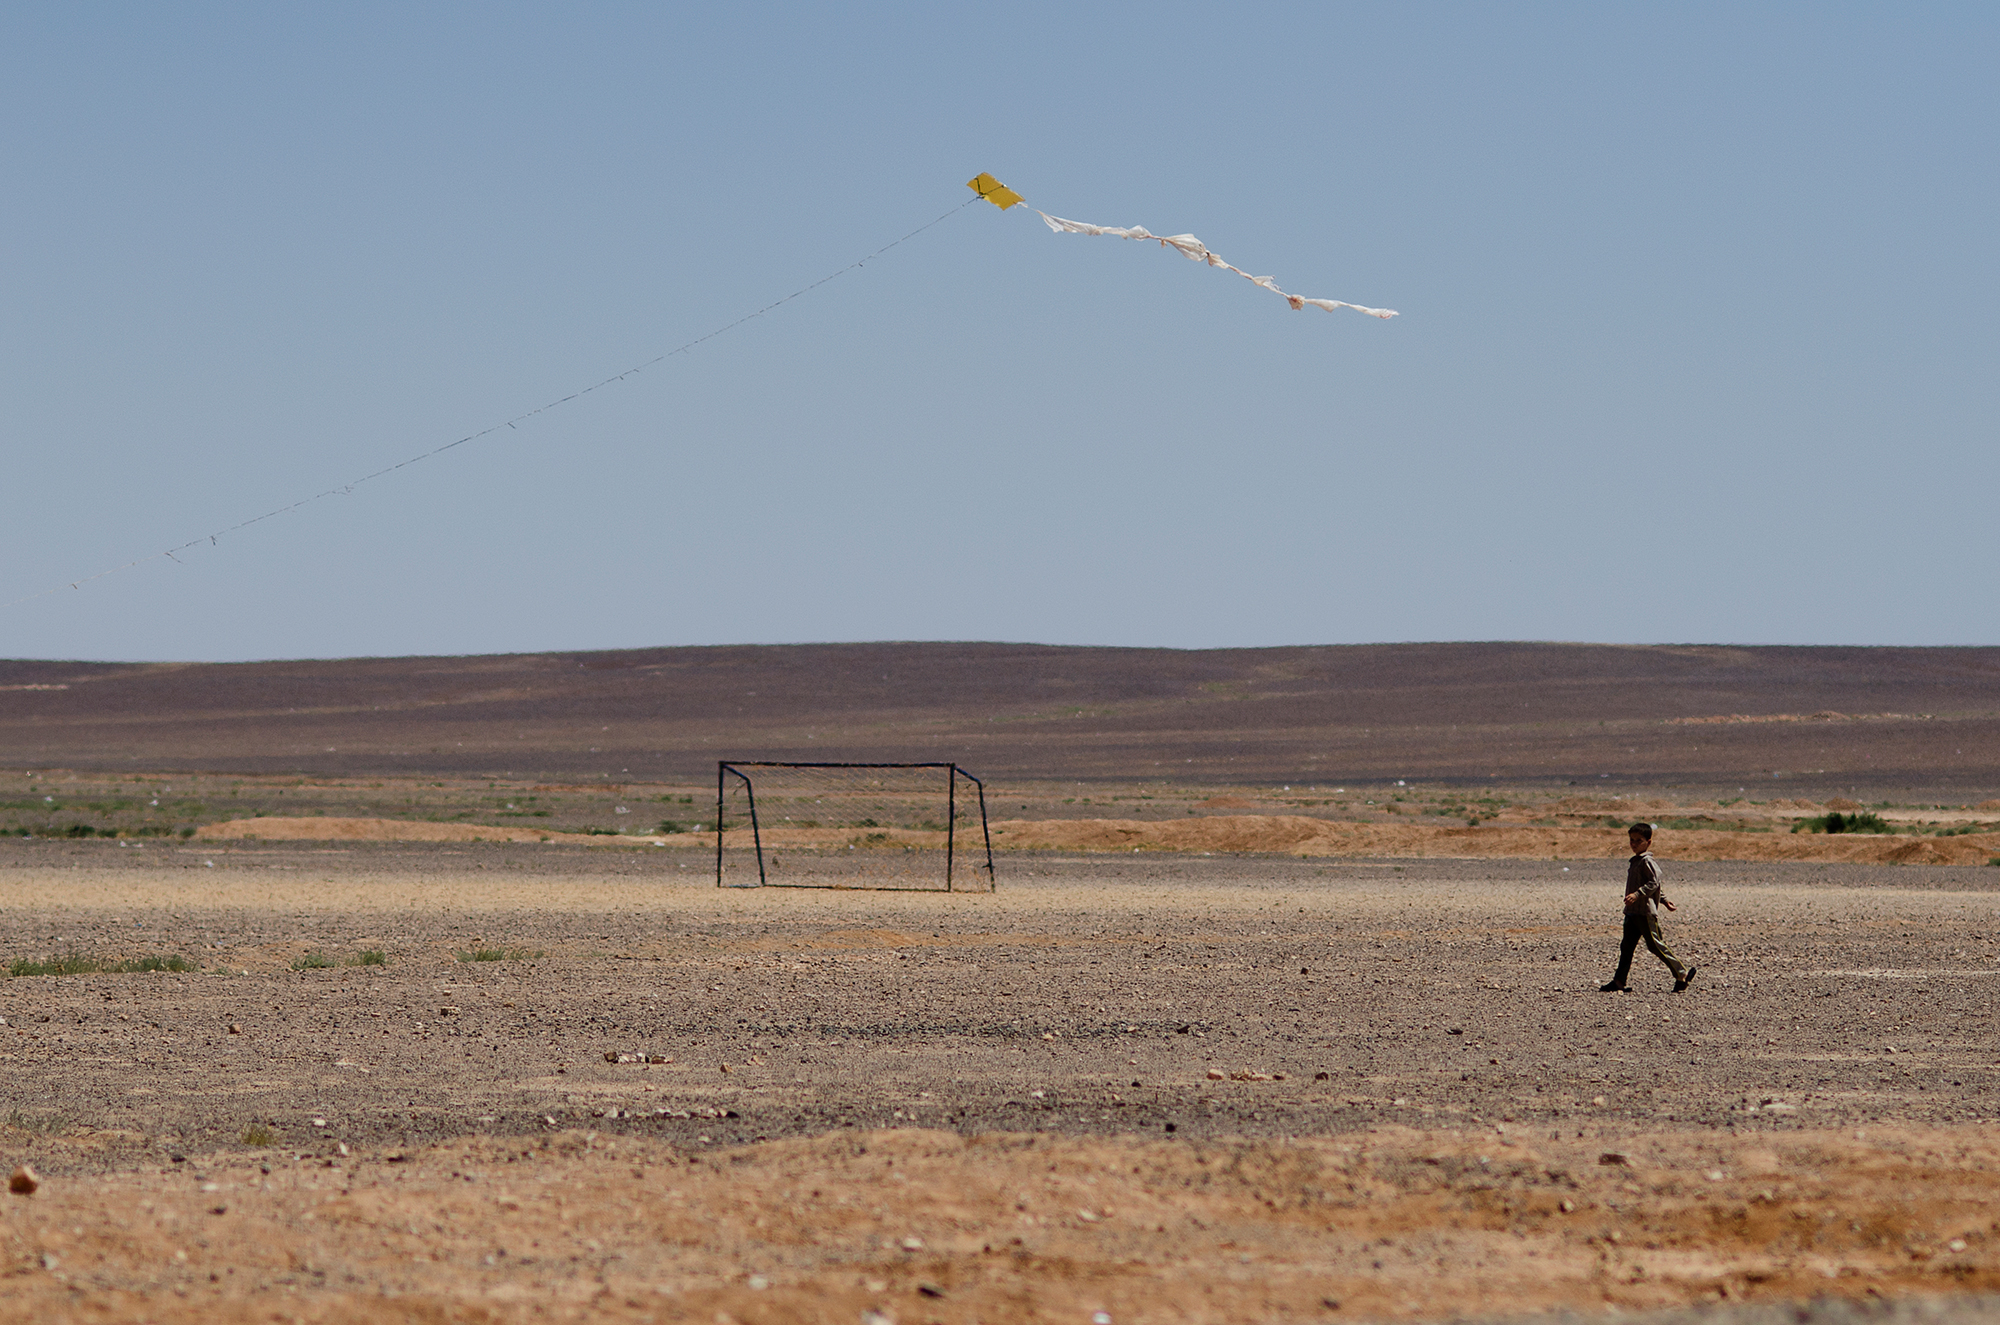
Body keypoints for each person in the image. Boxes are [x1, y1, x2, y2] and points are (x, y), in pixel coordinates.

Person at [1599, 822, 1697, 993]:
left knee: (1655, 945)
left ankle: (1682, 973)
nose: (1634, 844)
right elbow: (1652, 885)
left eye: (1638, 840)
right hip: (1632, 912)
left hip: (1644, 912)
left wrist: (1639, 895)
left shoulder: (1647, 861)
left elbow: (1654, 882)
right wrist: (1664, 899)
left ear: (1648, 842)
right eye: (1631, 840)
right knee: (1627, 947)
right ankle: (1619, 981)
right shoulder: (1635, 861)